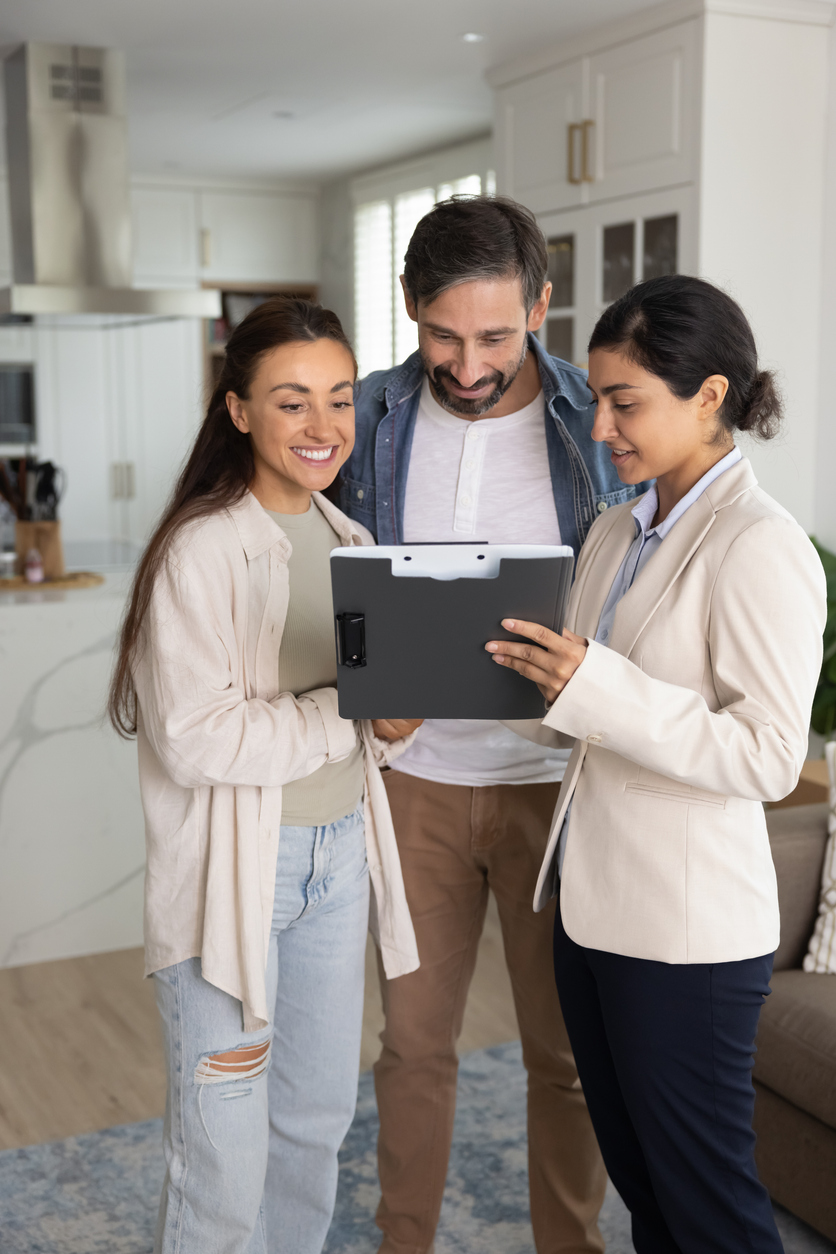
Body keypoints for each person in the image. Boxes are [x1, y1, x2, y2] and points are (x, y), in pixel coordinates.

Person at [487, 274, 826, 1253]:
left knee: (707, 1207)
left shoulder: (759, 546)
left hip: (684, 939)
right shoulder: (611, 530)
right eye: (596, 399)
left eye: (623, 402)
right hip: (591, 916)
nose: (600, 428)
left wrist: (592, 685)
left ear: (708, 396)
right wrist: (492, 688)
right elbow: (579, 711)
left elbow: (765, 754)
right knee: (645, 1192)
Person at [340, 195, 650, 1254]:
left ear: (541, 306)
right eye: (440, 333)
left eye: (494, 336)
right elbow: (315, 578)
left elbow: (655, 574)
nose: (465, 364)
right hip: (410, 781)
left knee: (563, 1058)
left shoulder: (596, 423)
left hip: (553, 790)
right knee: (413, 1048)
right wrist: (364, 673)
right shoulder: (368, 416)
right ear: (407, 307)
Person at [108, 298, 422, 1254]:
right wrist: (350, 717)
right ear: (240, 410)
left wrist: (393, 727)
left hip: (339, 864)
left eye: (340, 398)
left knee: (313, 1131)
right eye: (293, 403)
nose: (324, 427)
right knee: (223, 1163)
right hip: (233, 881)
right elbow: (201, 740)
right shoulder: (200, 550)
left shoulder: (358, 547)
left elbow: (371, 723)